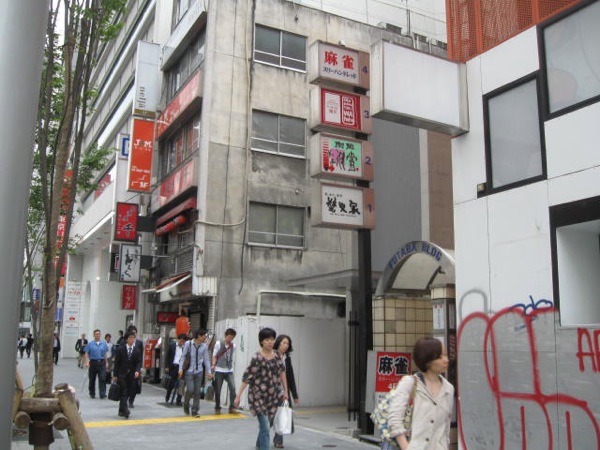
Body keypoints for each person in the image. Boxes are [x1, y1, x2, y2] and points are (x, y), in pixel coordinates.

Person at [384, 336, 454, 450]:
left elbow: (446, 427)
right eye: (440, 356)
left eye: (446, 355)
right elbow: (395, 419)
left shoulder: (448, 389)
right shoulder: (409, 383)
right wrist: (406, 447)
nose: (446, 360)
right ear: (427, 360)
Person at [234, 327, 288, 450]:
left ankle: (259, 445)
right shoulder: (257, 358)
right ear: (261, 341)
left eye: (272, 339)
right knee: (265, 426)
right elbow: (247, 377)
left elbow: (282, 373)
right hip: (258, 397)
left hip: (273, 397)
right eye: (267, 340)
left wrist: (285, 390)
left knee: (266, 426)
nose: (270, 342)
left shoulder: (277, 356)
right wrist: (238, 396)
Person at [273, 334, 299, 448]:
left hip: (283, 392)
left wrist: (295, 395)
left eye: (287, 344)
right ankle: (262, 438)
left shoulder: (287, 359)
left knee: (282, 415)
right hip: (271, 392)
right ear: (278, 343)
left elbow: (290, 377)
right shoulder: (272, 356)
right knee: (270, 418)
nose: (286, 345)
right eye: (284, 343)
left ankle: (278, 441)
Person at [178, 329, 212, 417]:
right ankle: (186, 403)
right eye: (204, 336)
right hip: (189, 371)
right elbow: (183, 357)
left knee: (197, 392)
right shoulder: (188, 344)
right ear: (199, 336)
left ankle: (195, 410)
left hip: (199, 371)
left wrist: (209, 372)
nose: (205, 338)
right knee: (190, 389)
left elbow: (206, 360)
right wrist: (180, 369)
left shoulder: (204, 346)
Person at [113, 330, 142, 419]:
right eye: (130, 338)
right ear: (126, 339)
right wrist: (115, 375)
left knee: (128, 392)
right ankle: (126, 410)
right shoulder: (121, 349)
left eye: (133, 338)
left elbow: (138, 362)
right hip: (121, 374)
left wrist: (137, 371)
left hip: (132, 375)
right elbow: (117, 363)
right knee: (124, 391)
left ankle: (121, 410)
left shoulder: (137, 350)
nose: (132, 339)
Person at [212, 328, 237, 414]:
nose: (230, 339)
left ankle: (232, 407)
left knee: (233, 388)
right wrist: (213, 365)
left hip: (229, 369)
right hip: (219, 369)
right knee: (218, 389)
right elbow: (214, 355)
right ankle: (217, 407)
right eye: (229, 337)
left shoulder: (233, 346)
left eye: (232, 338)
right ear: (225, 336)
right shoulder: (218, 344)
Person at [84, 329, 109, 399]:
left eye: (99, 334)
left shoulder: (104, 343)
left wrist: (106, 362)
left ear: (100, 335)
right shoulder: (90, 344)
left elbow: (105, 353)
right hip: (93, 362)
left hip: (101, 362)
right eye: (96, 334)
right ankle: (92, 393)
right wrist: (87, 362)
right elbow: (86, 353)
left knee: (102, 378)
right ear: (94, 335)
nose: (97, 335)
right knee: (92, 379)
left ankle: (102, 393)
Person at [126, 325, 144, 408]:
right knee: (126, 385)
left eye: (135, 332)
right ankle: (125, 399)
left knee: (134, 385)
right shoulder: (124, 342)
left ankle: (131, 401)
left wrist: (139, 368)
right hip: (125, 368)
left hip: (135, 368)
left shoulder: (139, 343)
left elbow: (140, 357)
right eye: (132, 333)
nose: (133, 334)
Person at [165, 333, 186, 405]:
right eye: (181, 341)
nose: (181, 343)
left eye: (183, 341)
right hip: (173, 367)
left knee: (181, 383)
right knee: (171, 383)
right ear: (178, 339)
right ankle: (168, 395)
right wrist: (167, 366)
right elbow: (167, 356)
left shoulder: (184, 348)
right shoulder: (172, 346)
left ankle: (178, 400)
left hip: (181, 368)